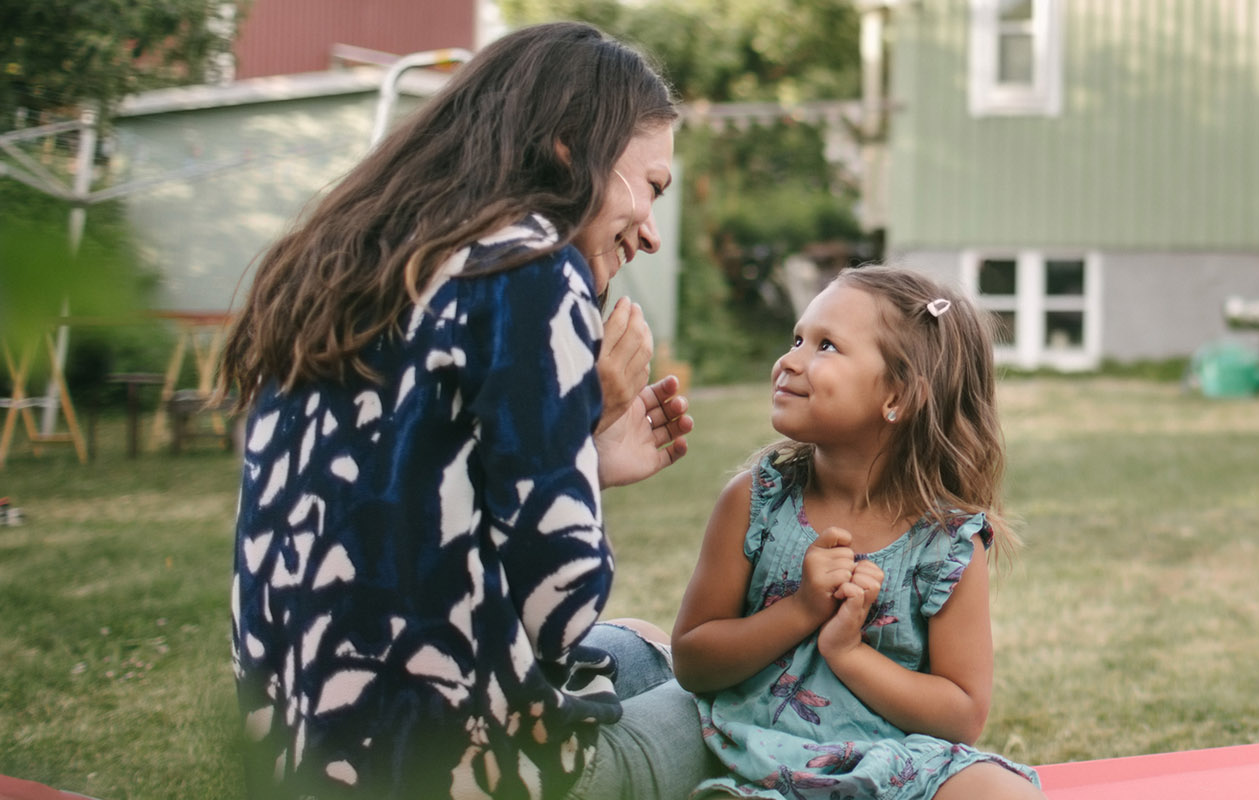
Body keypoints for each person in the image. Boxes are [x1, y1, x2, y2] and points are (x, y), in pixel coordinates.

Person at [220, 21, 709, 799]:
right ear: (571, 147)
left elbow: (410, 534)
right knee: (733, 703)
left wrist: (582, 454)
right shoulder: (531, 269)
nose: (650, 232)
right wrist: (581, 416)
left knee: (648, 645)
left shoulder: (348, 265)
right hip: (449, 773)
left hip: (297, 757)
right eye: (651, 186)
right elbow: (561, 609)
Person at [671, 266, 1045, 799]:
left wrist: (848, 652)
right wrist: (801, 609)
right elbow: (691, 661)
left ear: (898, 396)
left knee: (1004, 791)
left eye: (825, 346)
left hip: (893, 768)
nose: (789, 361)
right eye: (797, 339)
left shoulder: (946, 544)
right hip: (757, 755)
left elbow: (961, 715)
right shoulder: (755, 502)